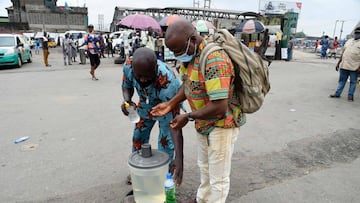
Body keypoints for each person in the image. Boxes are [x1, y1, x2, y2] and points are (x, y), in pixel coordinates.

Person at [150, 19, 243, 203]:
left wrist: (188, 116)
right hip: (204, 123)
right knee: (205, 167)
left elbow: (219, 106)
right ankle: (203, 199)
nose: (177, 56)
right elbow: (188, 85)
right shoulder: (192, 56)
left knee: (218, 178)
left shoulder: (214, 59)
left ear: (192, 39)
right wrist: (170, 104)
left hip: (221, 125)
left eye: (178, 51)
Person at [121, 47, 184, 186]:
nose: (143, 80)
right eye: (139, 76)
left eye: (147, 76)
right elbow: (127, 86)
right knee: (138, 137)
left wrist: (180, 161)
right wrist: (127, 100)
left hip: (167, 103)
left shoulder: (167, 80)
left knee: (166, 142)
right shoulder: (128, 67)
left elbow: (175, 126)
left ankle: (165, 175)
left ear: (155, 68)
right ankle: (139, 171)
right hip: (145, 103)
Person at [329, 27, 360, 101]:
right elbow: (343, 53)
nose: (356, 34)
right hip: (344, 65)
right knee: (341, 81)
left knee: (353, 82)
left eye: (358, 33)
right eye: (356, 33)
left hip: (354, 66)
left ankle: (350, 95)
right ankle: (337, 94)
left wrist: (359, 68)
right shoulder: (349, 41)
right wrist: (338, 63)